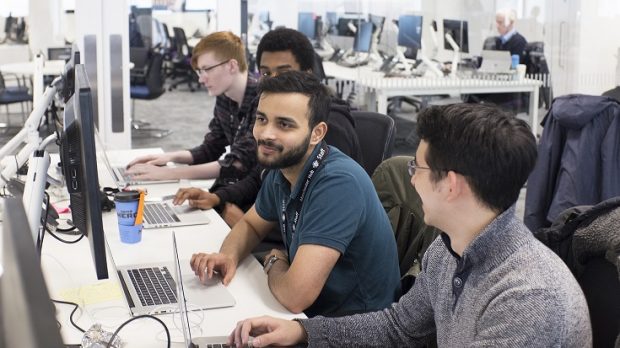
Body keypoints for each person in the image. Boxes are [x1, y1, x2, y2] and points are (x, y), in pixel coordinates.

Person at [228, 103, 592, 347]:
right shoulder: (450, 247)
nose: (410, 180)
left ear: (451, 185)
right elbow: (400, 326)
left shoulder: (526, 299)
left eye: (415, 168)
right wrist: (302, 331)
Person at [189, 71, 400, 317]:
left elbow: (294, 296)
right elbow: (251, 225)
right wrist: (227, 256)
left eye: (284, 124)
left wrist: (274, 262)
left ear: (317, 133)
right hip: (309, 315)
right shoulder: (283, 167)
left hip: (351, 327)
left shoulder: (338, 184)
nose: (266, 133)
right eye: (261, 119)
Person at [173, 27, 362, 229]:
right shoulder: (274, 117)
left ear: (308, 73)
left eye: (284, 72)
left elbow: (323, 215)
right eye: (265, 73)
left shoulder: (330, 126)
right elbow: (262, 175)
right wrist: (217, 198)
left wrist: (253, 230)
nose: (274, 81)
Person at [126, 31, 258, 189]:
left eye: (207, 69)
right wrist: (167, 157)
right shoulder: (225, 96)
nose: (201, 79)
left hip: (254, 195)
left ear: (231, 66)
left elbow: (238, 164)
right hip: (232, 187)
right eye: (199, 72)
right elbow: (210, 149)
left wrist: (168, 174)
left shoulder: (263, 99)